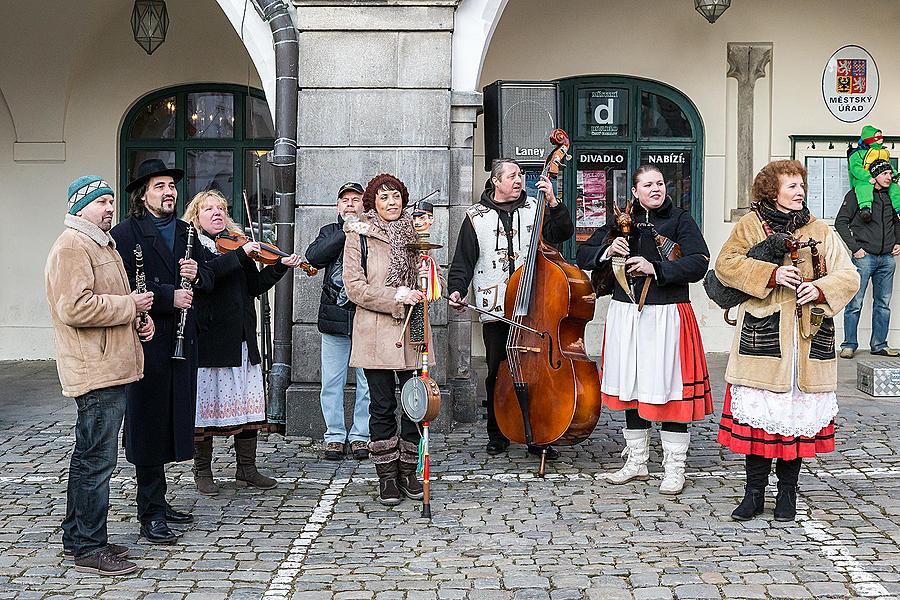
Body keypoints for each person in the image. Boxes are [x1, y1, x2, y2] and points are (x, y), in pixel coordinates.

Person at [716, 160, 859, 522]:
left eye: (801, 185)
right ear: (771, 191)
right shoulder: (749, 226)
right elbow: (726, 266)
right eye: (791, 185)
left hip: (808, 343)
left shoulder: (821, 229)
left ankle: (788, 495)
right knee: (760, 424)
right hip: (762, 338)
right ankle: (753, 494)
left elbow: (849, 275)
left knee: (794, 424)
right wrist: (772, 272)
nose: (800, 191)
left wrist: (821, 288)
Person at [576, 165, 713, 495]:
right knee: (633, 384)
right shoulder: (622, 220)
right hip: (627, 313)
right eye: (648, 184)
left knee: (668, 388)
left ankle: (674, 467)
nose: (657, 189)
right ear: (634, 191)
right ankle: (637, 462)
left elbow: (699, 262)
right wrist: (608, 251)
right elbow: (582, 253)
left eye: (660, 183)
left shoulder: (680, 219)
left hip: (667, 314)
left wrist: (658, 268)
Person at [47, 176, 154, 575]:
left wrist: (140, 322)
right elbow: (74, 307)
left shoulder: (99, 243)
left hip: (109, 365)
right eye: (100, 202)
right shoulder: (73, 245)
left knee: (88, 458)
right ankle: (89, 548)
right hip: (95, 370)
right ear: (80, 208)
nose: (109, 207)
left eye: (111, 201)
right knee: (96, 462)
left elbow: (112, 303)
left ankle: (78, 536)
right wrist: (129, 306)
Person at [111, 159, 214, 544]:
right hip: (147, 338)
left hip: (184, 342)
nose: (168, 192)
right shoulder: (125, 233)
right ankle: (150, 511)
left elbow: (209, 278)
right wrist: (171, 294)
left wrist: (197, 275)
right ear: (143, 194)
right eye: (159, 186)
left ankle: (160, 500)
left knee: (173, 419)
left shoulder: (189, 231)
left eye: (171, 185)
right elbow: (124, 282)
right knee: (149, 423)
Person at [448, 159, 574, 458]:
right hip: (496, 305)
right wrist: (456, 289)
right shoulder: (475, 217)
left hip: (535, 303)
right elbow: (464, 260)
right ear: (496, 181)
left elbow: (562, 233)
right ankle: (499, 432)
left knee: (536, 372)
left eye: (521, 175)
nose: (519, 180)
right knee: (498, 371)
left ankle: (539, 434)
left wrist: (554, 203)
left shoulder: (536, 206)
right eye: (513, 175)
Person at [183, 190, 303, 495]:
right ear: (196, 216)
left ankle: (247, 469)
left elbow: (254, 286)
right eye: (208, 208)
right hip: (209, 338)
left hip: (241, 336)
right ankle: (203, 472)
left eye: (221, 208)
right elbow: (206, 278)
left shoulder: (237, 242)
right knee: (205, 410)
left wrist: (279, 267)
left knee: (248, 409)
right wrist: (241, 254)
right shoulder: (192, 246)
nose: (216, 213)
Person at [342, 173, 431, 506]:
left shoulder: (416, 234)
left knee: (414, 405)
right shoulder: (359, 235)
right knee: (381, 406)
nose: (392, 203)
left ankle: (408, 470)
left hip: (412, 329)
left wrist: (426, 280)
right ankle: (386, 478)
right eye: (384, 197)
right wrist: (397, 295)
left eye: (396, 196)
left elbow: (428, 283)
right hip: (376, 332)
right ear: (372, 203)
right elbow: (355, 287)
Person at [306, 182, 371, 461]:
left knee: (366, 383)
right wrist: (346, 231)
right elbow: (314, 257)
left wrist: (359, 230)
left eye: (355, 200)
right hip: (334, 318)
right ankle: (334, 436)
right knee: (331, 382)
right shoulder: (330, 232)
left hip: (365, 318)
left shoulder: (371, 234)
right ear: (337, 206)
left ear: (364, 205)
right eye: (344, 200)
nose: (349, 204)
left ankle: (360, 436)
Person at [834, 158, 900, 358]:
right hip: (864, 258)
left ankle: (879, 345)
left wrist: (898, 241)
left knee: (883, 304)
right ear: (874, 176)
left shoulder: (892, 196)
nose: (889, 177)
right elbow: (840, 223)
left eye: (890, 174)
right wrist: (855, 248)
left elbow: (897, 222)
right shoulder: (857, 194)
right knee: (855, 303)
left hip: (887, 259)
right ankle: (849, 345)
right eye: (884, 174)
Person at [847, 125, 900, 221]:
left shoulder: (882, 152)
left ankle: (898, 208)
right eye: (877, 138)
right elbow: (855, 168)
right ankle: (865, 208)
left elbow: (888, 166)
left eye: (881, 137)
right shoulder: (857, 154)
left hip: (885, 234)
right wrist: (867, 177)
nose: (880, 140)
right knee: (864, 187)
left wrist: (894, 174)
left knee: (895, 187)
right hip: (864, 178)